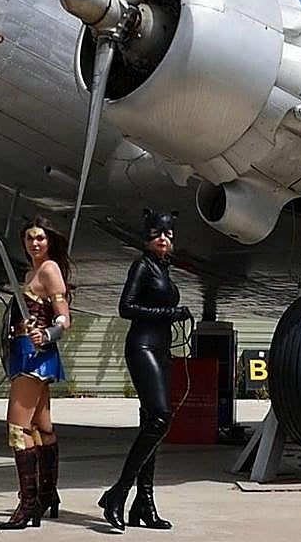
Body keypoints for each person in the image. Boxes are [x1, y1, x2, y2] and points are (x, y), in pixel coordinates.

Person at [99, 209, 190, 531]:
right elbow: (126, 307)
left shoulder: (163, 269)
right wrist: (170, 313)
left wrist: (171, 314)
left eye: (168, 234)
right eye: (157, 234)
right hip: (142, 346)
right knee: (161, 417)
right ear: (147, 237)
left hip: (161, 349)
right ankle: (118, 493)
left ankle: (144, 503)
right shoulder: (142, 266)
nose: (163, 239)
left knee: (153, 421)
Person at [0, 215, 72, 530]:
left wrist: (48, 334)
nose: (34, 243)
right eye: (29, 238)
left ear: (49, 240)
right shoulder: (33, 271)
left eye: (39, 237)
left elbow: (64, 318)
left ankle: (28, 504)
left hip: (34, 356)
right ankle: (46, 494)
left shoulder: (49, 270)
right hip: (24, 351)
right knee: (41, 426)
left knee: (18, 430)